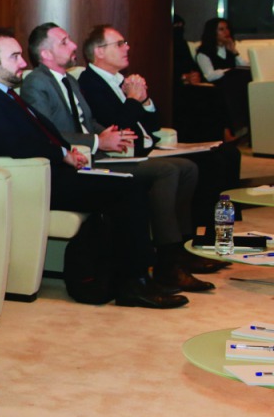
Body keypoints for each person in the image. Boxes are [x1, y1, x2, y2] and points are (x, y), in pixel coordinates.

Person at [0, 28, 185, 309]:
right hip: (32, 181)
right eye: (15, 57)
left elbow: (45, 132)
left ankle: (133, 276)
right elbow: (16, 145)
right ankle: (134, 282)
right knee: (128, 189)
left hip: (50, 173)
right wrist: (62, 153)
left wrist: (67, 151)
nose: (23, 62)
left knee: (129, 184)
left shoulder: (5, 95)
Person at [20, 23, 212, 292]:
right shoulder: (36, 82)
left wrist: (108, 134)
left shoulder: (69, 80)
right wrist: (99, 141)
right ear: (46, 54)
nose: (74, 45)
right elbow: (47, 132)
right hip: (80, 162)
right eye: (64, 42)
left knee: (187, 168)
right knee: (167, 171)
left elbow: (89, 122)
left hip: (98, 154)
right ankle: (166, 263)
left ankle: (179, 251)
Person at [80, 24, 240, 255]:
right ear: (100, 51)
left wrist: (144, 100)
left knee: (226, 153)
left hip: (151, 146)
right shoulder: (89, 83)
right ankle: (177, 248)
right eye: (120, 44)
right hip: (126, 154)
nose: (127, 48)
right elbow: (117, 125)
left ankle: (201, 239)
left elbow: (154, 126)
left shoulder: (122, 80)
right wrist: (133, 99)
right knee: (197, 166)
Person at [196, 17, 250, 138]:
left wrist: (234, 51)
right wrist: (228, 71)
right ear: (213, 32)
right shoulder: (203, 52)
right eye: (221, 29)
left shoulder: (228, 49)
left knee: (245, 80)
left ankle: (244, 127)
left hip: (232, 84)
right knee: (227, 91)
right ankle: (231, 130)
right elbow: (209, 75)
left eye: (227, 29)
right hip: (215, 85)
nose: (226, 32)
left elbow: (245, 66)